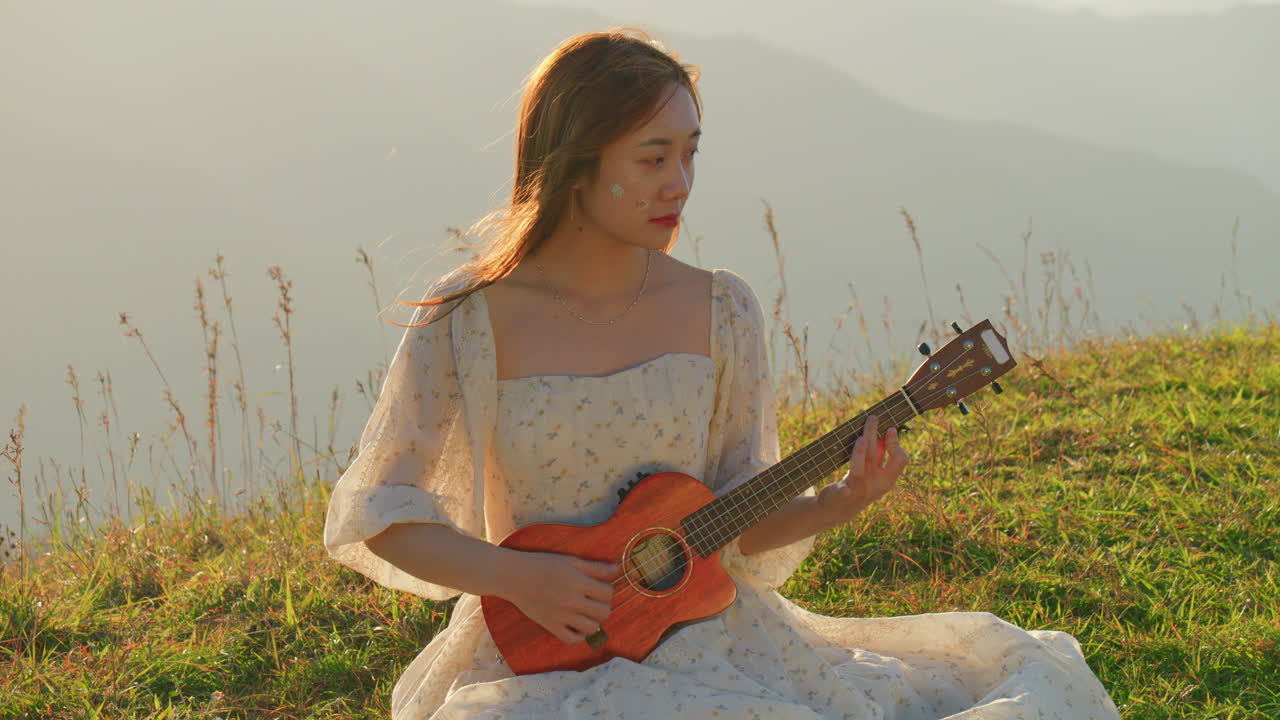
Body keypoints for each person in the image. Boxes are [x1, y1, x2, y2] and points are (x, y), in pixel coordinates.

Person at [324, 27, 1121, 719]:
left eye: (690, 153)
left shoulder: (721, 310)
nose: (681, 183)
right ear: (574, 162)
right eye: (653, 157)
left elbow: (735, 517)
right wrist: (518, 576)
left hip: (710, 645)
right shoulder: (467, 318)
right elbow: (385, 515)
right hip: (538, 656)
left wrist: (841, 499)